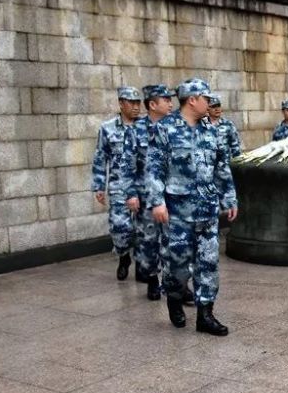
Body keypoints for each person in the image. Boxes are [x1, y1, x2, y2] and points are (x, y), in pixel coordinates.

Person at [146, 78, 238, 336]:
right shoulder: (165, 128)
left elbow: (221, 166)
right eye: (206, 98)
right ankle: (175, 300)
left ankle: (205, 315)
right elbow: (154, 168)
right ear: (193, 99)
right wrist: (157, 202)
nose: (210, 103)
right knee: (177, 265)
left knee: (208, 262)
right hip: (176, 211)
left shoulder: (210, 129)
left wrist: (229, 198)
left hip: (206, 209)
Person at [128, 84, 174, 301]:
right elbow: (126, 166)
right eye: (166, 100)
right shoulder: (136, 130)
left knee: (175, 241)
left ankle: (176, 284)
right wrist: (130, 194)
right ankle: (153, 280)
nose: (170, 103)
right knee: (149, 240)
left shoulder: (176, 127)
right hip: (146, 197)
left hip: (173, 195)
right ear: (152, 104)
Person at [91, 86, 141, 280]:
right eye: (132, 103)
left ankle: (145, 267)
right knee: (119, 227)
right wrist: (98, 185)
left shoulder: (146, 126)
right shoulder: (108, 128)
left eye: (138, 103)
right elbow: (100, 158)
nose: (136, 107)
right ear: (121, 103)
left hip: (142, 187)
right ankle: (123, 256)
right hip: (118, 187)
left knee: (144, 229)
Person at [206, 94, 242, 159]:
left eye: (218, 106)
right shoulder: (203, 125)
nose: (217, 109)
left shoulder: (228, 124)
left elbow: (235, 146)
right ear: (208, 109)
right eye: (213, 107)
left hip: (224, 165)